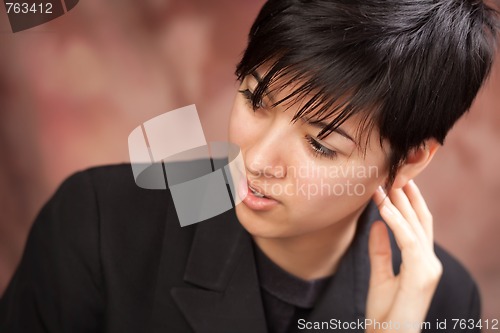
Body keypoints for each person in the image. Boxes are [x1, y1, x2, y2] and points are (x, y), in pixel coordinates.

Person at [0, 0, 498, 332]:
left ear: (410, 158)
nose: (256, 160)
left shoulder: (444, 303)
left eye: (322, 144)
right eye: (255, 99)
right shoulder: (99, 223)